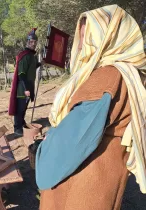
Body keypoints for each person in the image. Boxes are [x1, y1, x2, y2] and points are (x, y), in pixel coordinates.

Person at [35, 5, 146, 210]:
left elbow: (66, 149)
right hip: (102, 182)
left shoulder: (107, 77)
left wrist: (42, 148)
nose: (80, 47)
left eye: (90, 39)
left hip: (79, 189)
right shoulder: (130, 75)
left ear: (109, 39)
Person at [8, 28, 40, 135]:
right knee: (20, 109)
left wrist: (40, 64)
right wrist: (26, 89)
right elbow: (21, 74)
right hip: (23, 88)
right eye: (31, 42)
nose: (33, 44)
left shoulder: (32, 56)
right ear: (28, 42)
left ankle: (22, 123)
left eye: (35, 42)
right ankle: (17, 129)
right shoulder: (25, 55)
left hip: (29, 85)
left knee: (24, 108)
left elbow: (32, 68)